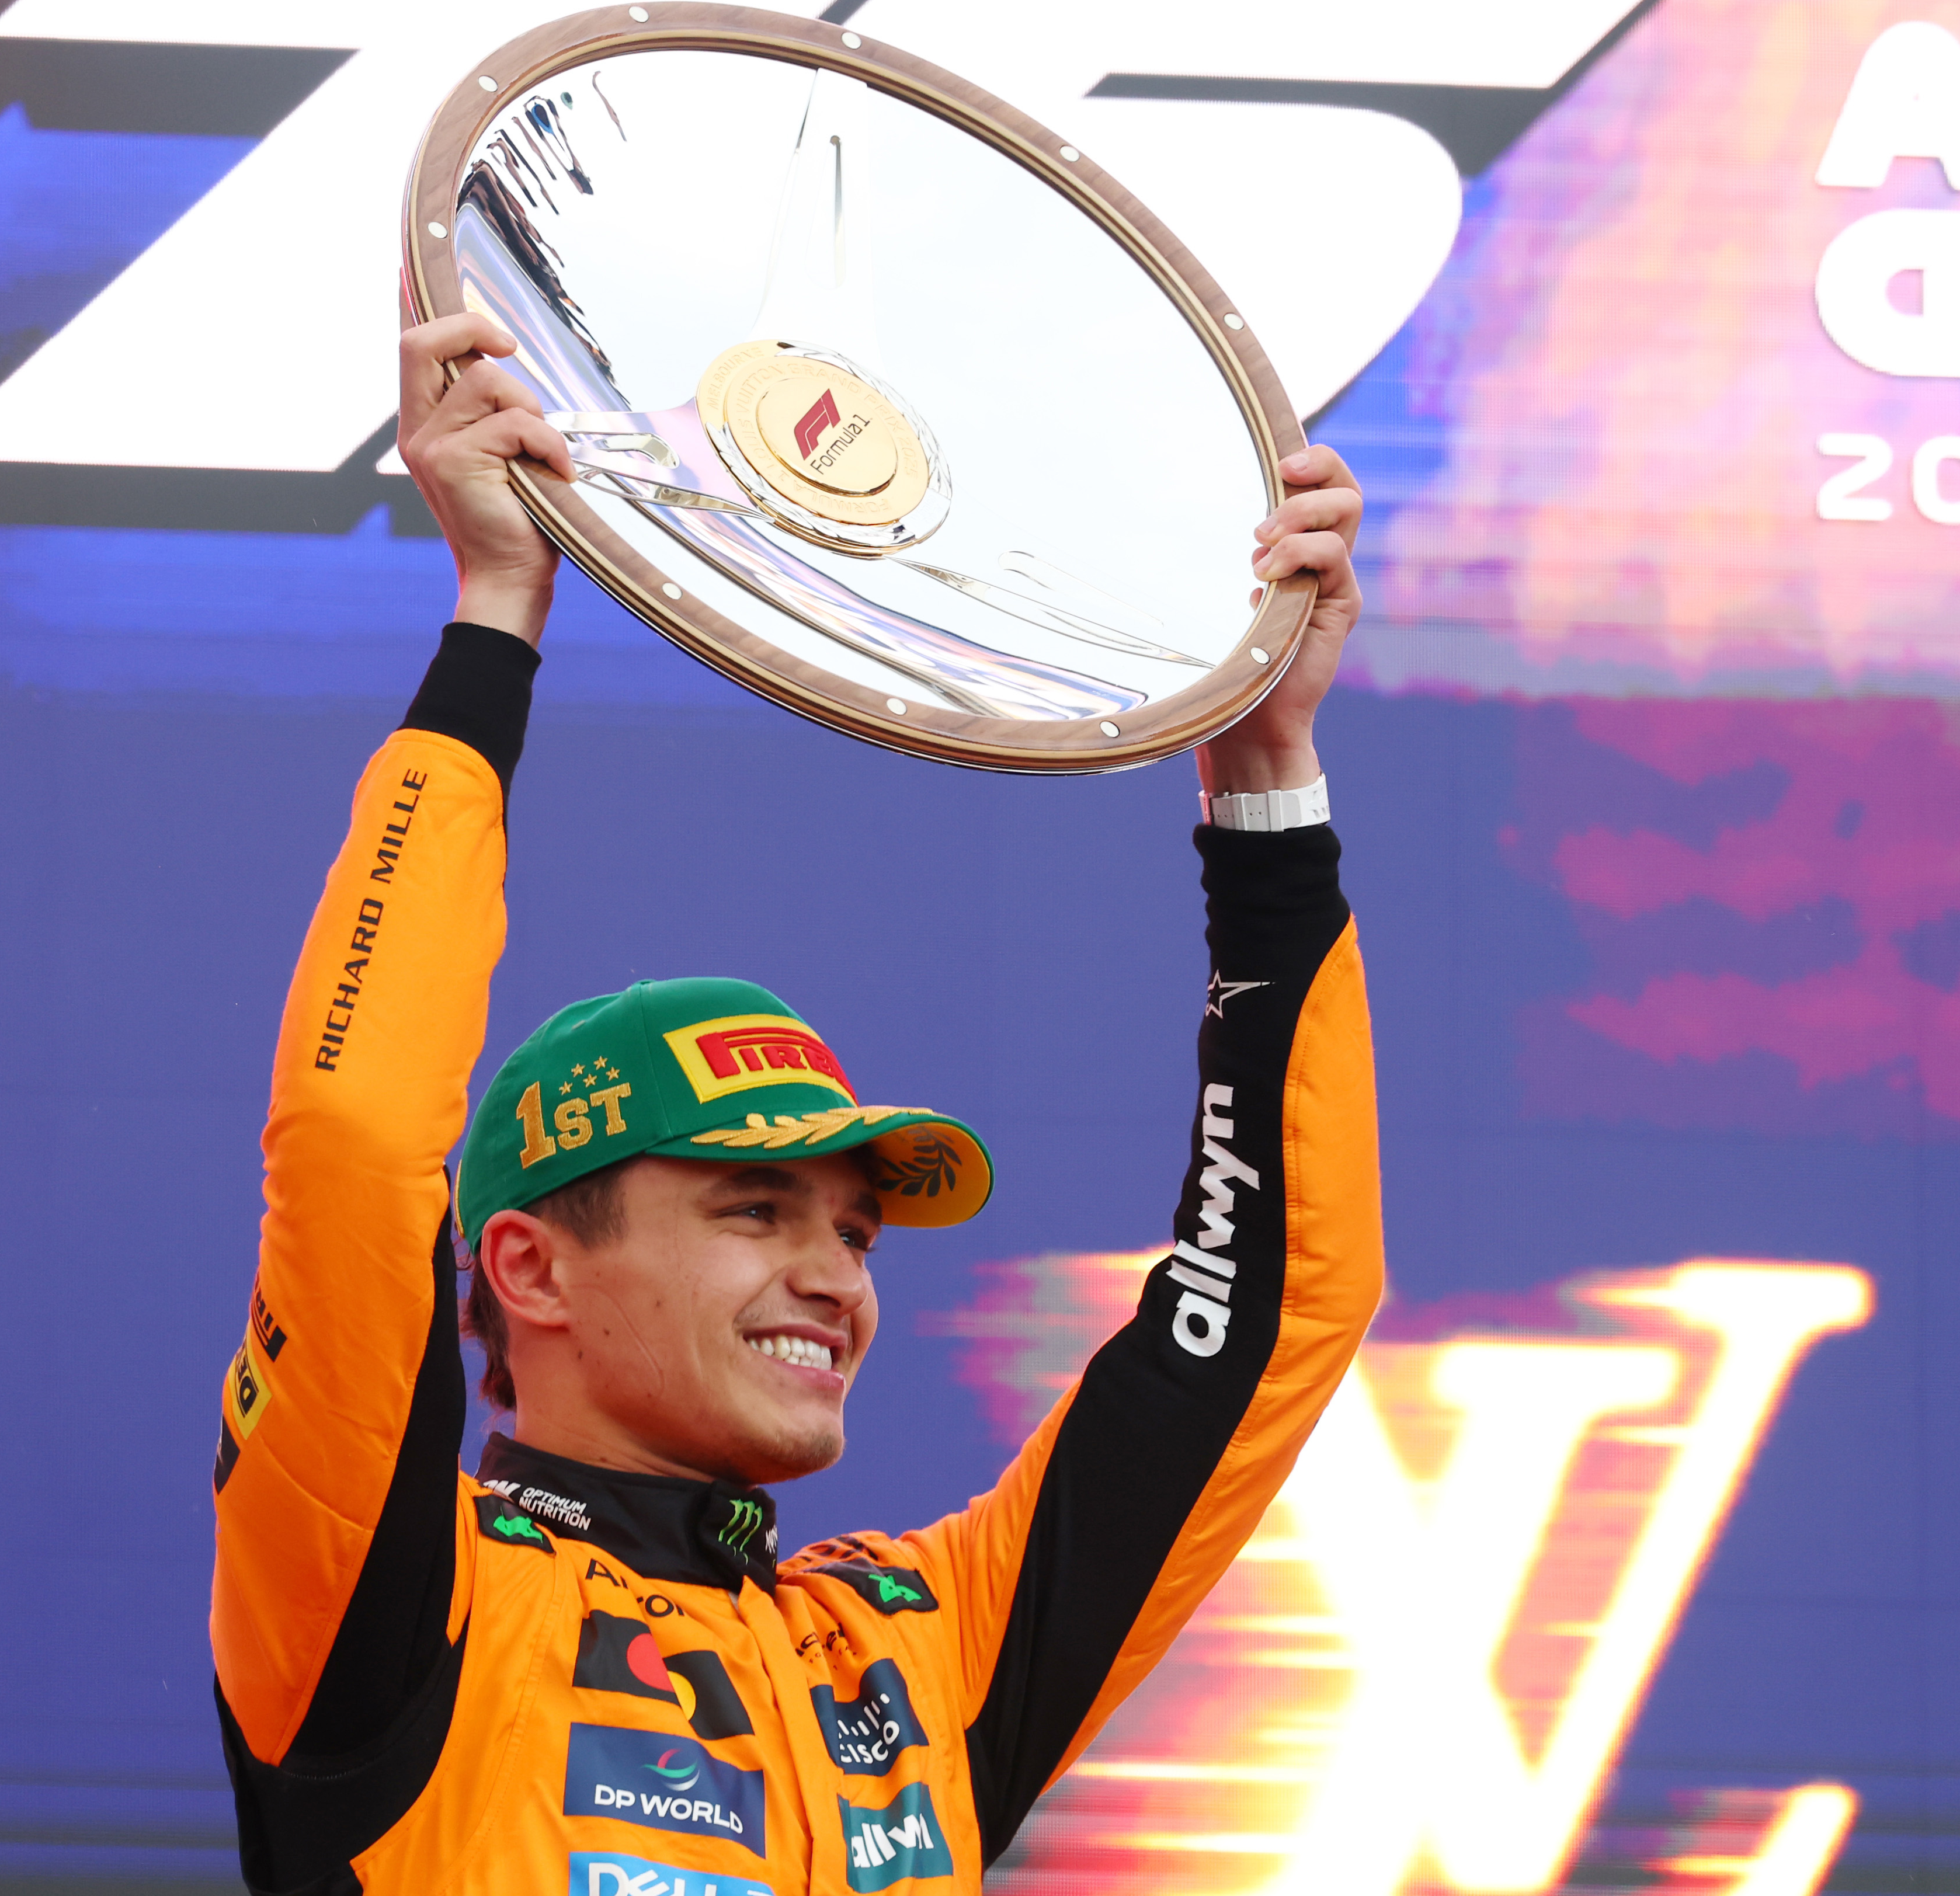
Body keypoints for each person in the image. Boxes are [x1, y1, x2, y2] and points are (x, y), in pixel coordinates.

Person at [207, 312, 1383, 1896]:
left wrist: (1263, 774)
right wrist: (497, 614)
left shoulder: (915, 1652)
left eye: (855, 1232)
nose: (835, 1278)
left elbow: (1270, 1313)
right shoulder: (393, 1602)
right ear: (530, 1267)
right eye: (753, 1209)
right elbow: (354, 1144)